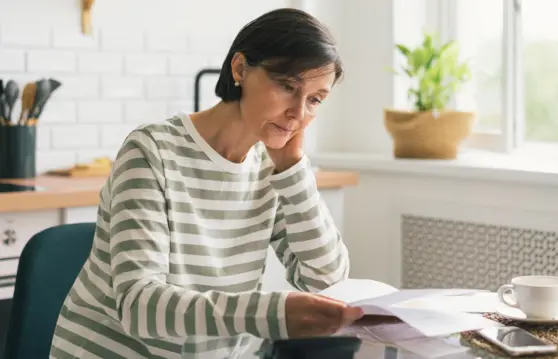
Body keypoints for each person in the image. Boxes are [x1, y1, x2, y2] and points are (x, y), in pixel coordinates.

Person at [50, 7, 363, 359]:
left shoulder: (270, 168)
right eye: (288, 86)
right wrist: (272, 313)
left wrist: (293, 170)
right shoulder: (152, 151)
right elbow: (139, 307)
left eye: (315, 100)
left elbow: (328, 282)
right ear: (240, 68)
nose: (299, 113)